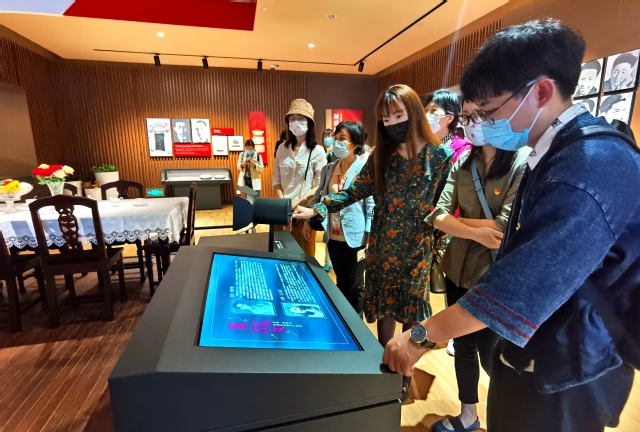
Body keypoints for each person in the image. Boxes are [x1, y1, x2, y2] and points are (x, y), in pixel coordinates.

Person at [383, 19, 640, 432]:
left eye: (487, 111)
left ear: (541, 92)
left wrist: (420, 335)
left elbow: (525, 281)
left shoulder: (589, 164)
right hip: (542, 352)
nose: (481, 124)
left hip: (569, 368)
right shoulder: (556, 151)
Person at [293, 84, 453, 347]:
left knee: (413, 312)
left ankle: (407, 360)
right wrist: (318, 208)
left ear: (414, 112)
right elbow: (354, 191)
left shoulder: (440, 156)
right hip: (382, 247)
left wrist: (439, 251)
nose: (392, 123)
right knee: (384, 307)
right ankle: (384, 356)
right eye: (386, 119)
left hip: (418, 249)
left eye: (398, 115)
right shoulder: (382, 155)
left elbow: (443, 208)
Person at [425, 100, 528, 432]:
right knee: (464, 346)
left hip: (496, 276)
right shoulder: (463, 161)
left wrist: (459, 224)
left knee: (493, 353)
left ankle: (510, 418)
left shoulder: (522, 162)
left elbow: (503, 229)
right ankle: (468, 414)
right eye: (467, 117)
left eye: (480, 115)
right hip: (457, 267)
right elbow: (437, 215)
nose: (472, 123)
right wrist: (475, 230)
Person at [304, 121, 374, 315]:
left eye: (342, 138)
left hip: (356, 236)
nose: (336, 142)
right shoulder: (328, 169)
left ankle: (356, 323)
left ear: (355, 144)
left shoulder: (364, 169)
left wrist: (369, 233)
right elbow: (318, 196)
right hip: (333, 235)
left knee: (356, 285)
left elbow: (371, 205)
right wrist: (307, 220)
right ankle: (344, 320)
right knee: (341, 281)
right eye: (336, 138)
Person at [273, 99, 327, 257]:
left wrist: (297, 204)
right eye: (292, 118)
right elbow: (276, 180)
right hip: (281, 212)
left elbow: (320, 186)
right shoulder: (282, 148)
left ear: (309, 123)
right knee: (281, 256)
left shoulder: (318, 151)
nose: (296, 122)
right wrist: (283, 203)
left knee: (304, 258)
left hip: (304, 214)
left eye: (301, 118)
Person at [422, 89, 472, 164]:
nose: (426, 115)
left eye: (434, 110)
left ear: (449, 118)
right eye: (425, 111)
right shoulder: (420, 146)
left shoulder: (462, 150)